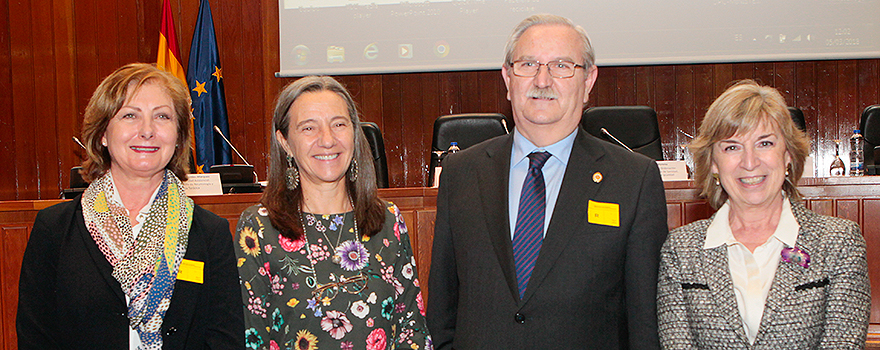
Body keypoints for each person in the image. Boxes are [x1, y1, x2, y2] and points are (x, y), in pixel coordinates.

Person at [426, 14, 668, 349]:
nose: (542, 80)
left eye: (562, 65)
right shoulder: (461, 173)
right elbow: (442, 311)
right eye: (527, 64)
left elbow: (645, 324)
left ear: (588, 81)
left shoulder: (633, 179)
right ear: (507, 78)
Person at [16, 63, 244, 349]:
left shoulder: (210, 232)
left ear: (178, 137)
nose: (147, 131)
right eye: (129, 115)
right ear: (102, 134)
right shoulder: (55, 228)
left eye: (162, 116)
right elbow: (36, 337)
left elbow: (225, 339)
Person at [657, 80, 870, 349]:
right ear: (712, 162)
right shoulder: (680, 250)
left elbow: (843, 343)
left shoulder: (839, 243)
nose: (750, 162)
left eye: (765, 143)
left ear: (788, 155)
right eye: (732, 147)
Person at [235, 76, 431, 350]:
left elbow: (412, 330)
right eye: (308, 128)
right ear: (285, 142)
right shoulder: (258, 227)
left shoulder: (387, 220)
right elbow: (251, 337)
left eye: (339, 124)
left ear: (354, 133)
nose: (327, 140)